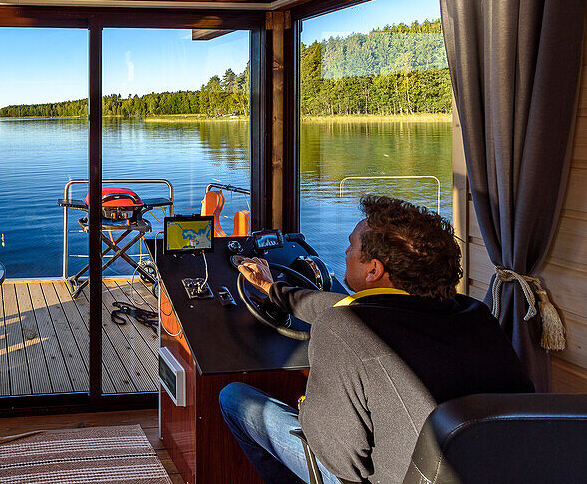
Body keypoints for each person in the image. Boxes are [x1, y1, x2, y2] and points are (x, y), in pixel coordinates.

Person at [219, 195, 532, 484]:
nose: (345, 252)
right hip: (485, 473)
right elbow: (342, 307)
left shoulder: (341, 328)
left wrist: (309, 408)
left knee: (233, 398)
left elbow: (343, 463)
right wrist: (274, 291)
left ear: (373, 270)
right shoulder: (475, 313)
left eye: (351, 246)